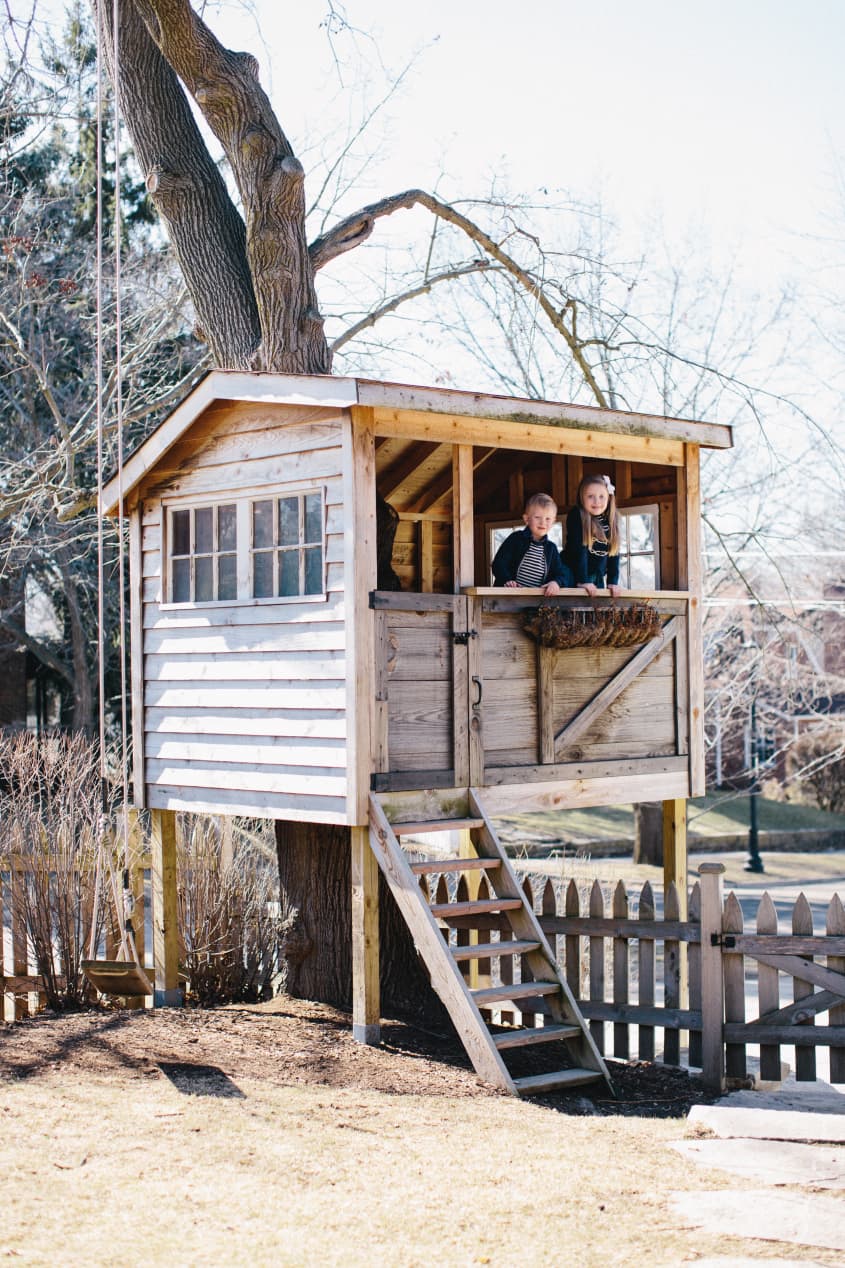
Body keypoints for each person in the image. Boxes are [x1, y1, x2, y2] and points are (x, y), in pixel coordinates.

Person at [491, 492, 573, 596]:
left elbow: (561, 573)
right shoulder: (516, 539)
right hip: (509, 596)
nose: (543, 522)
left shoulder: (551, 549)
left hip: (534, 602)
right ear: (526, 519)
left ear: (553, 521)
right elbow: (498, 563)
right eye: (537, 517)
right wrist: (507, 580)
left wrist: (556, 582)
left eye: (548, 519)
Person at [564, 473, 623, 596]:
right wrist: (582, 580)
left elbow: (614, 553)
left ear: (609, 497)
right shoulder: (577, 515)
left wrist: (613, 581)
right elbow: (579, 550)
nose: (597, 501)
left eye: (602, 496)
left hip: (596, 577)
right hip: (572, 574)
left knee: (596, 610)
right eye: (590, 496)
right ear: (581, 498)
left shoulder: (612, 519)